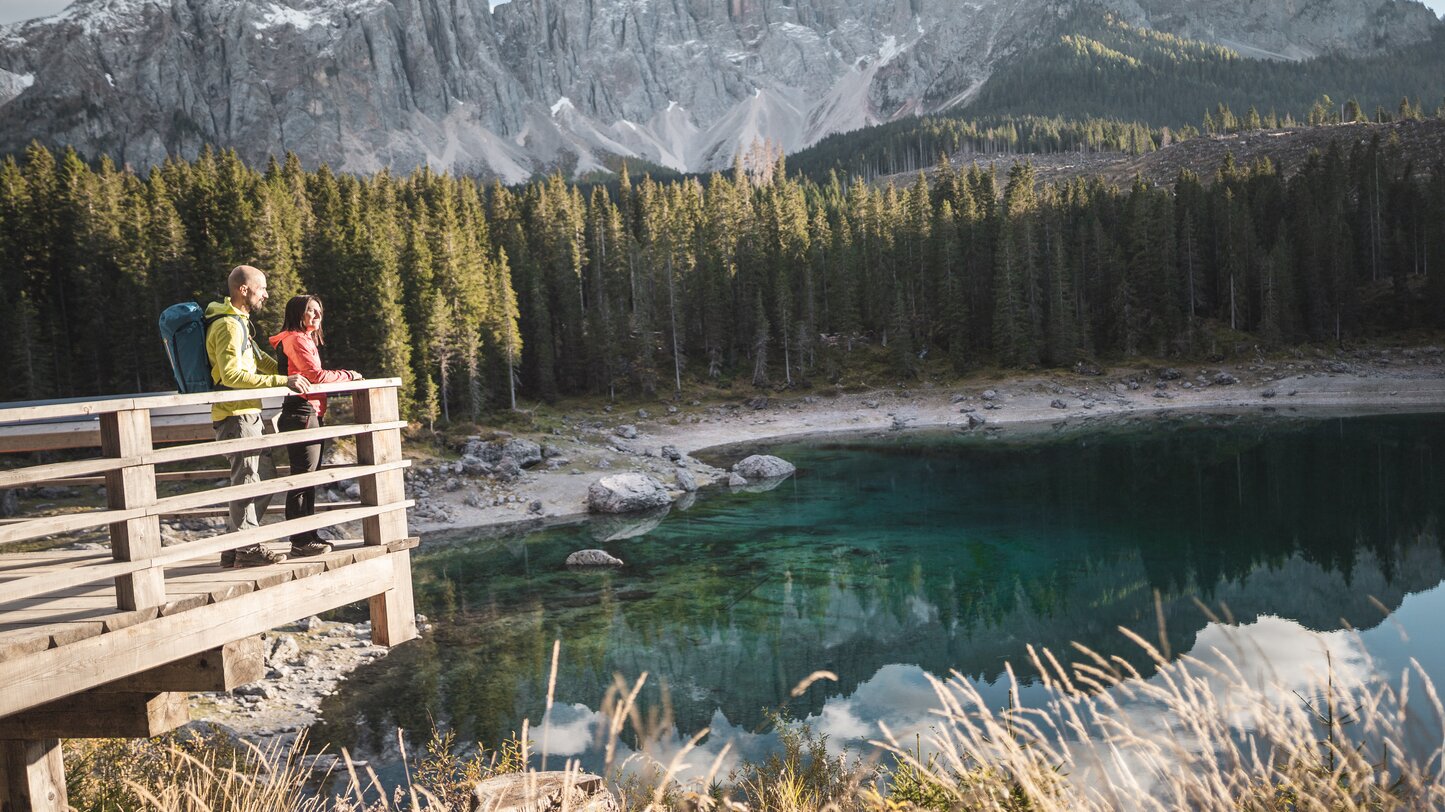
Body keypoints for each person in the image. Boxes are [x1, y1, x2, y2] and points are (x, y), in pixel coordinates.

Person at [206, 265, 312, 567]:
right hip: (236, 416)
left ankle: (234, 546)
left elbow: (260, 363)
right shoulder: (228, 325)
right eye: (261, 287)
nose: (266, 294)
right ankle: (248, 549)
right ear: (243, 289)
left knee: (262, 475)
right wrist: (284, 382)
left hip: (246, 414)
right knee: (249, 479)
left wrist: (296, 370)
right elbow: (231, 375)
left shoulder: (239, 323)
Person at [269, 295, 362, 557]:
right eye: (311, 310)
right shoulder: (296, 339)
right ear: (298, 313)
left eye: (319, 311)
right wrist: (349, 375)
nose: (316, 315)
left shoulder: (303, 338)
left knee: (308, 478)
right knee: (303, 479)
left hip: (308, 412)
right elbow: (315, 376)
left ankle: (308, 536)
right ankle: (300, 540)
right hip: (302, 412)